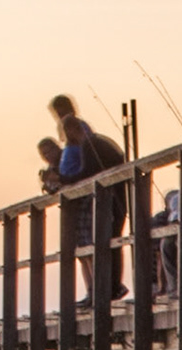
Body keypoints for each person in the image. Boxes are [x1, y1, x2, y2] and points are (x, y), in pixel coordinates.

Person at [55, 114, 128, 302]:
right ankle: (107, 289)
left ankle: (105, 290)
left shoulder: (90, 145)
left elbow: (87, 175)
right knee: (111, 243)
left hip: (110, 200)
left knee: (105, 243)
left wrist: (60, 179)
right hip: (119, 197)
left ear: (71, 130)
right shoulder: (99, 142)